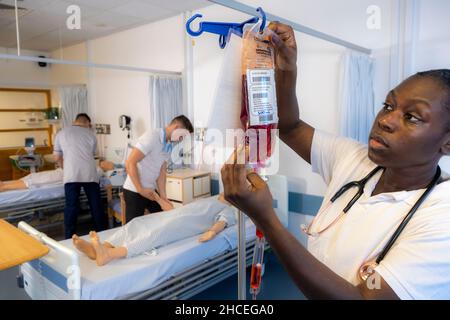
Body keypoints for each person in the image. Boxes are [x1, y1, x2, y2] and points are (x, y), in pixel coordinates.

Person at [220, 22, 450, 300]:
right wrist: (288, 67)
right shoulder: (353, 159)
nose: (385, 120)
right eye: (388, 105)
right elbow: (290, 126)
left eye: (412, 117)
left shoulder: (442, 218)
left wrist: (267, 220)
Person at [72, 194, 237, 266]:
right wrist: (161, 200)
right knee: (136, 222)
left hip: (181, 225)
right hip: (172, 215)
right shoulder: (211, 198)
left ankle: (111, 254)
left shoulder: (229, 209)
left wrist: (212, 232)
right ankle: (101, 248)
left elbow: (223, 222)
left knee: (153, 235)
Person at [123, 115, 194, 222]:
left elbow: (162, 171)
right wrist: (140, 189)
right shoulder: (152, 136)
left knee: (163, 219)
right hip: (134, 190)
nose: (181, 140)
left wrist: (163, 196)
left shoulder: (168, 145)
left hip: (150, 190)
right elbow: (130, 162)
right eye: (182, 136)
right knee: (133, 228)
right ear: (176, 128)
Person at [54, 113, 107, 239]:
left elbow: (57, 157)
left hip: (71, 175)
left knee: (71, 207)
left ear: (75, 121)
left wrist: (64, 167)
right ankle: (103, 234)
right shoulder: (91, 135)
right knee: (96, 205)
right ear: (87, 123)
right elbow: (93, 154)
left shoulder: (61, 133)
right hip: (90, 174)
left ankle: (69, 237)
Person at [0, 161, 115, 193]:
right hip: (61, 173)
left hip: (62, 177)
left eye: (108, 164)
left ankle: (4, 187)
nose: (105, 162)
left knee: (36, 181)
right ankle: (4, 184)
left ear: (108, 168)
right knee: (35, 176)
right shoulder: (95, 166)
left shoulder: (99, 171)